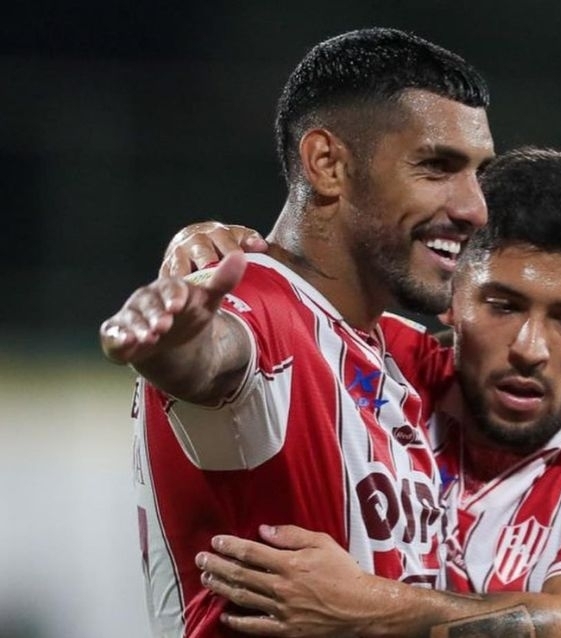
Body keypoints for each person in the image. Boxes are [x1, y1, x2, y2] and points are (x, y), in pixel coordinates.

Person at [184, 147, 561, 638]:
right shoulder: (388, 369)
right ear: (451, 299)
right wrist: (203, 255)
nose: (531, 349)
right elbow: (263, 313)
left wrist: (363, 606)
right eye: (503, 306)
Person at [100, 27, 496, 637]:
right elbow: (216, 358)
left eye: (477, 173)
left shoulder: (386, 346)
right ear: (328, 164)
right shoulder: (262, 306)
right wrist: (171, 345)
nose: (474, 208)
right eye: (437, 167)